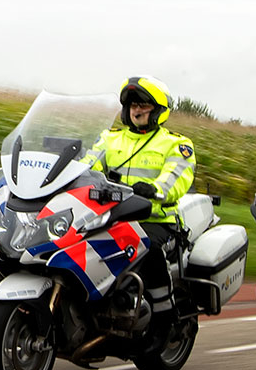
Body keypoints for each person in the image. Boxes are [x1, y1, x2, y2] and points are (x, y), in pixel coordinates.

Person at [84, 76, 196, 335]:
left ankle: (163, 315)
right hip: (111, 217)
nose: (136, 109)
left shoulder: (176, 144)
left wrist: (155, 190)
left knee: (149, 248)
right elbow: (87, 165)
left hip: (155, 220)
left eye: (143, 104)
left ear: (157, 110)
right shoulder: (110, 139)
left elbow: (176, 179)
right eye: (133, 104)